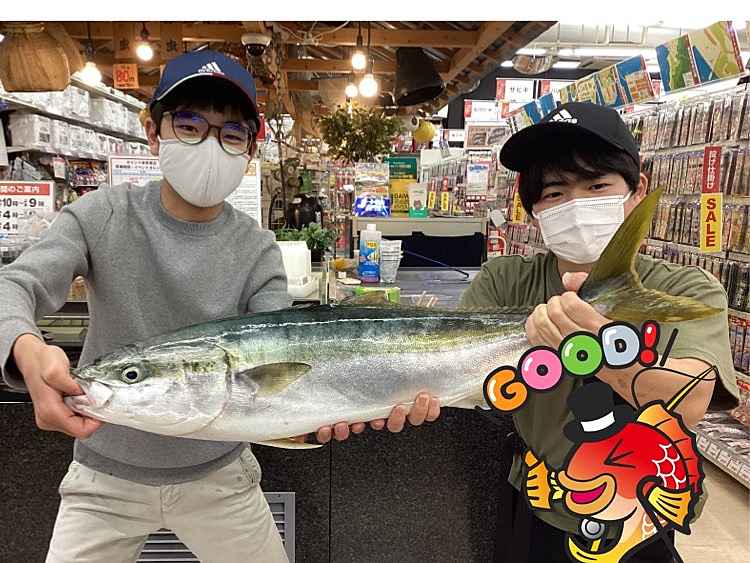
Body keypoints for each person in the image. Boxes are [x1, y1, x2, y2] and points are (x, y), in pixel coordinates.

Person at [0, 50, 438, 563]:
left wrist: (330, 408)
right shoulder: (101, 215)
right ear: (153, 130)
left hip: (221, 477)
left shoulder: (257, 249)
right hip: (104, 479)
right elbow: (15, 285)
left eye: (231, 134)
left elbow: (281, 367)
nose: (210, 145)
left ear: (249, 150)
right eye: (189, 126)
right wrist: (26, 349)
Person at [460, 102, 736, 563]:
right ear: (534, 209)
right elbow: (459, 373)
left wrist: (597, 345)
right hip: (535, 503)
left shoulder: (687, 288)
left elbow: (690, 400)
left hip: (639, 521)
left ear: (636, 190)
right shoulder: (503, 281)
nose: (576, 205)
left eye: (597, 186)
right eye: (554, 192)